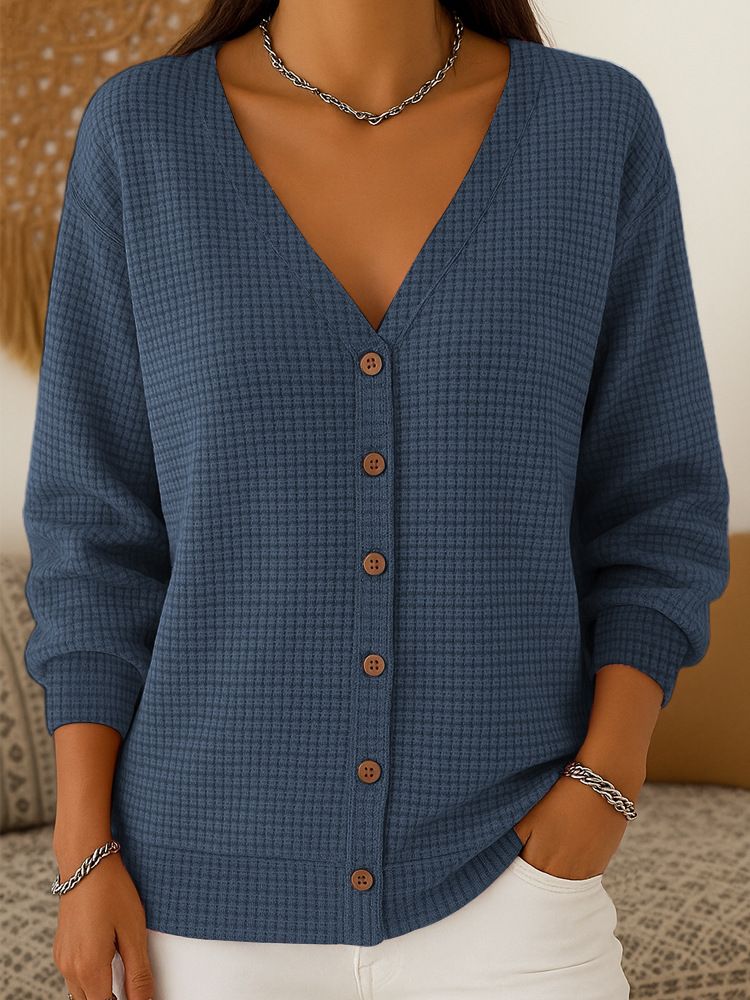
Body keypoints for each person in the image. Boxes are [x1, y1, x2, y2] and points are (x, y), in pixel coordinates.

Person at [22, 1, 731, 998]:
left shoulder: (595, 126)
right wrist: (84, 851)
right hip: (197, 900)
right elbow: (95, 535)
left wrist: (606, 781)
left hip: (514, 880)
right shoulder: (141, 133)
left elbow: (658, 501)